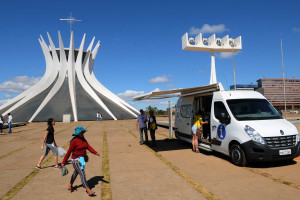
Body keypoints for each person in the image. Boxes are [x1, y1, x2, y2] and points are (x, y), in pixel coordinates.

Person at [61, 126, 100, 196]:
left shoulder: (83, 139)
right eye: (82, 132)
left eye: (83, 132)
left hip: (81, 159)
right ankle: (88, 189)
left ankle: (70, 185)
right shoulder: (74, 141)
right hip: (75, 160)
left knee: (76, 172)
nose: (83, 133)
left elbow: (88, 146)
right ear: (78, 133)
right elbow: (69, 152)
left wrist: (95, 152)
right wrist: (64, 162)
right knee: (82, 173)